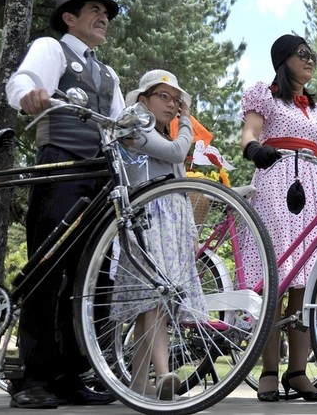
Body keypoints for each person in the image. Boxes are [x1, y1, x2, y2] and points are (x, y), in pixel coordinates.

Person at [5, 0, 122, 409]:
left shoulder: (109, 75)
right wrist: (29, 96)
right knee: (48, 270)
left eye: (106, 12)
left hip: (100, 179)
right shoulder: (52, 49)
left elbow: (121, 126)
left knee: (91, 278)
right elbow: (22, 81)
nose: (103, 17)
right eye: (94, 9)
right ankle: (31, 377)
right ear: (69, 17)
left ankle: (71, 375)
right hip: (61, 169)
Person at [240, 34, 317, 402]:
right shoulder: (263, 95)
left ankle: (298, 372)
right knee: (275, 282)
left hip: (313, 189)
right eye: (303, 54)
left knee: (306, 287)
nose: (310, 60)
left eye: (313, 54)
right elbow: (249, 132)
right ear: (284, 58)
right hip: (276, 180)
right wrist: (254, 149)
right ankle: (268, 370)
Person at [109, 69, 206, 399]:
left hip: (173, 220)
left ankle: (138, 384)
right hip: (147, 219)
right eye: (163, 96)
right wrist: (188, 119)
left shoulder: (164, 137)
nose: (172, 105)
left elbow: (180, 189)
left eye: (176, 100)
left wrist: (191, 231)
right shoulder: (133, 129)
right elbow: (179, 153)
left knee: (155, 306)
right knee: (154, 296)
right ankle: (164, 374)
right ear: (143, 99)